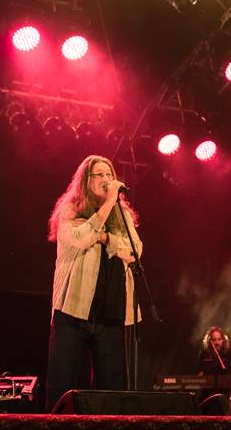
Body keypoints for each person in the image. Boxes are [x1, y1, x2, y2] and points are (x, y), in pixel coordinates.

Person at [45, 155, 143, 411]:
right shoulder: (71, 209)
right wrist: (110, 202)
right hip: (73, 311)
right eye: (99, 175)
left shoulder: (123, 215)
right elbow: (79, 238)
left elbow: (135, 251)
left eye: (109, 175)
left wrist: (105, 238)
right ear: (85, 181)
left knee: (112, 389)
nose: (106, 179)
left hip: (111, 313)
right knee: (64, 384)